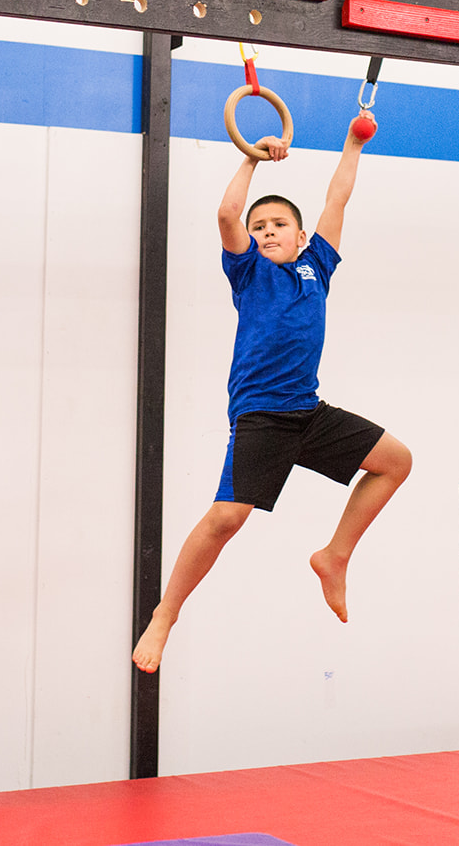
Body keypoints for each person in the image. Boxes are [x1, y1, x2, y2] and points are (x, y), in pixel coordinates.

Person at [133, 111, 411, 674]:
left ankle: (334, 556)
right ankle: (165, 614)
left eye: (279, 224)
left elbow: (337, 200)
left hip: (308, 410)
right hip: (262, 416)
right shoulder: (248, 273)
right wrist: (251, 158)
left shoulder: (317, 268)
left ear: (301, 236)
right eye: (259, 227)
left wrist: (353, 144)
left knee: (396, 462)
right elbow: (226, 214)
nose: (266, 232)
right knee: (225, 519)